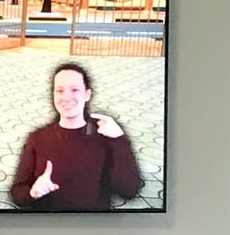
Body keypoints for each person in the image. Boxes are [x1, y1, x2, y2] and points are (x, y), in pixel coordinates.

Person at [8, 60, 142, 209]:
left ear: (87, 94)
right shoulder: (38, 138)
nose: (66, 97)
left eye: (74, 90)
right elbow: (17, 194)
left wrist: (119, 140)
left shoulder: (106, 137)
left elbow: (129, 191)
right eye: (59, 90)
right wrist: (33, 192)